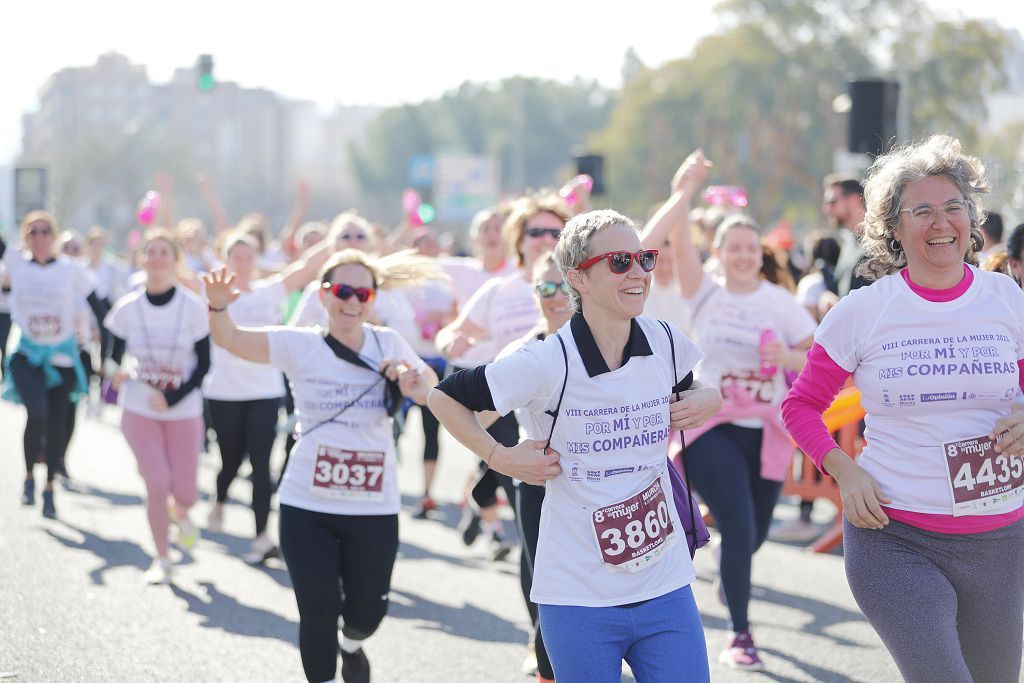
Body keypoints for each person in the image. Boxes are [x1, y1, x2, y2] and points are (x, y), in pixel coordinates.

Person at [430, 209, 722, 683]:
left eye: (645, 259)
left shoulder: (666, 341)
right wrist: (500, 457)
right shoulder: (545, 360)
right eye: (620, 261)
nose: (640, 273)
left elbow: (696, 384)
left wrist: (711, 397)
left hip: (665, 586)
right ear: (578, 279)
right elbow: (443, 398)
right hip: (578, 595)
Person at [782, 134, 1024, 683]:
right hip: (896, 534)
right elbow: (801, 406)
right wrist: (844, 471)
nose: (942, 224)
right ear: (892, 227)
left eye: (953, 208)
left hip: (1000, 540)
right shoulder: (865, 311)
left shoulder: (1007, 299)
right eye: (922, 211)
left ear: (971, 219)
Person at [204, 249, 438, 683]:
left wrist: (412, 384)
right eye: (343, 291)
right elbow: (231, 339)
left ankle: (351, 645)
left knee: (368, 612)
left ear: (372, 300)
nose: (352, 301)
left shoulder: (389, 343)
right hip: (306, 504)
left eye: (362, 293)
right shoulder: (300, 344)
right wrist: (218, 307)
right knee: (317, 607)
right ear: (323, 293)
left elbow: (430, 387)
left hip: (373, 507)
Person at [660, 150, 817, 670]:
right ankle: (740, 634)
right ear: (721, 252)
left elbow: (817, 355)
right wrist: (684, 190)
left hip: (768, 430)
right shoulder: (703, 291)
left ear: (760, 252)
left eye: (752, 247)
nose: (744, 255)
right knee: (739, 525)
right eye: (734, 247)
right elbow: (677, 241)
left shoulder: (778, 300)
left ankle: (730, 570)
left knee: (753, 533)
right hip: (711, 425)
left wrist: (788, 356)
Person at [435, 194, 569, 561]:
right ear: (520, 239)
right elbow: (451, 335)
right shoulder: (499, 290)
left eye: (554, 231)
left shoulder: (583, 286)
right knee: (532, 521)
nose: (544, 238)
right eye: (535, 230)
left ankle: (481, 492)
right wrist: (453, 344)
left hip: (563, 412)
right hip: (506, 409)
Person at [203, 231, 329, 564]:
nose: (243, 265)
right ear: (225, 261)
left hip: (264, 391)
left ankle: (261, 536)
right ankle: (219, 500)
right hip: (224, 392)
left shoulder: (270, 292)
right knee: (230, 461)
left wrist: (337, 238)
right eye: (236, 258)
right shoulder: (215, 292)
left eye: (248, 258)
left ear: (257, 260)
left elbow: (305, 266)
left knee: (261, 464)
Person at [105, 229, 211, 584]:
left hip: (183, 410)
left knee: (185, 492)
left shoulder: (193, 308)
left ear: (175, 260)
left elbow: (204, 364)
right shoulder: (128, 307)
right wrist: (115, 372)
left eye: (165, 252)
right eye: (151, 251)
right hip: (139, 409)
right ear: (142, 259)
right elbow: (111, 357)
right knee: (156, 482)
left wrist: (173, 397)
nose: (157, 258)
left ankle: (179, 513)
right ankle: (162, 557)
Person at [487, 251, 572, 682]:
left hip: (607, 487)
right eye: (545, 288)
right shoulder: (522, 351)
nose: (556, 297)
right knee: (548, 586)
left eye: (564, 286)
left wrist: (705, 396)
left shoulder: (613, 339)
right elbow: (470, 412)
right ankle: (547, 671)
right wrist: (501, 456)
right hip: (541, 484)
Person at [0, 211, 105, 518]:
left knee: (58, 422)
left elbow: (99, 305)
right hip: (28, 354)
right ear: (25, 238)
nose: (40, 237)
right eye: (33, 232)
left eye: (46, 231)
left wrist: (107, 347)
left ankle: (49, 488)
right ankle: (29, 477)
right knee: (38, 413)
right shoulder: (16, 262)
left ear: (55, 236)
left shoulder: (72, 270)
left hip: (61, 356)